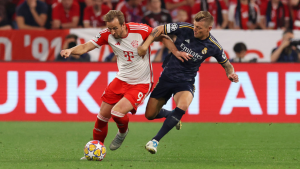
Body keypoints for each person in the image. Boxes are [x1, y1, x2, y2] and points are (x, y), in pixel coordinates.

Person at [60, 10, 190, 159]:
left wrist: (175, 52)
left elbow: (163, 36)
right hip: (121, 79)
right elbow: (84, 47)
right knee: (102, 116)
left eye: (115, 28)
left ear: (123, 24)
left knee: (117, 113)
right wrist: (70, 50)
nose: (112, 32)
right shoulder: (106, 34)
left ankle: (122, 132)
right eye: (110, 28)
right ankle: (96, 150)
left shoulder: (139, 30)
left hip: (140, 83)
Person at [138, 11, 239, 154]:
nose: (195, 30)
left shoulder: (213, 46)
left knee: (183, 105)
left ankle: (154, 141)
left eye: (199, 28)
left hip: (185, 81)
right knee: (149, 115)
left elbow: (227, 64)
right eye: (195, 26)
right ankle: (171, 115)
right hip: (167, 77)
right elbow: (159, 29)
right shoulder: (185, 28)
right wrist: (148, 46)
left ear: (209, 29)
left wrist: (231, 74)